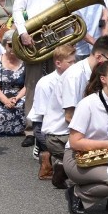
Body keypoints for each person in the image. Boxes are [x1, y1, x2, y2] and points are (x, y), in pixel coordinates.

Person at [64, 60, 108, 214]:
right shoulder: (87, 104)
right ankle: (77, 194)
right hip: (78, 157)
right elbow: (75, 142)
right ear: (103, 79)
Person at [12, 0, 60, 118]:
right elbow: (17, 9)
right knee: (33, 82)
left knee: (57, 78)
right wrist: (23, 32)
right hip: (34, 34)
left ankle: (53, 122)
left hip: (56, 35)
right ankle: (31, 127)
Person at [29, 44, 77, 180]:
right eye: (70, 62)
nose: (74, 65)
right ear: (58, 63)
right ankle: (47, 155)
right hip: (47, 129)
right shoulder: (45, 83)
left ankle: (59, 161)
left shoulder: (76, 78)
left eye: (75, 61)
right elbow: (40, 118)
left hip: (67, 127)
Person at [0, 30, 26, 139]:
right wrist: (5, 100)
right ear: (4, 44)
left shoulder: (26, 61)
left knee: (25, 105)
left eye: (18, 45)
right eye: (10, 45)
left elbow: (28, 84)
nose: (14, 48)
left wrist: (16, 98)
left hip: (19, 96)